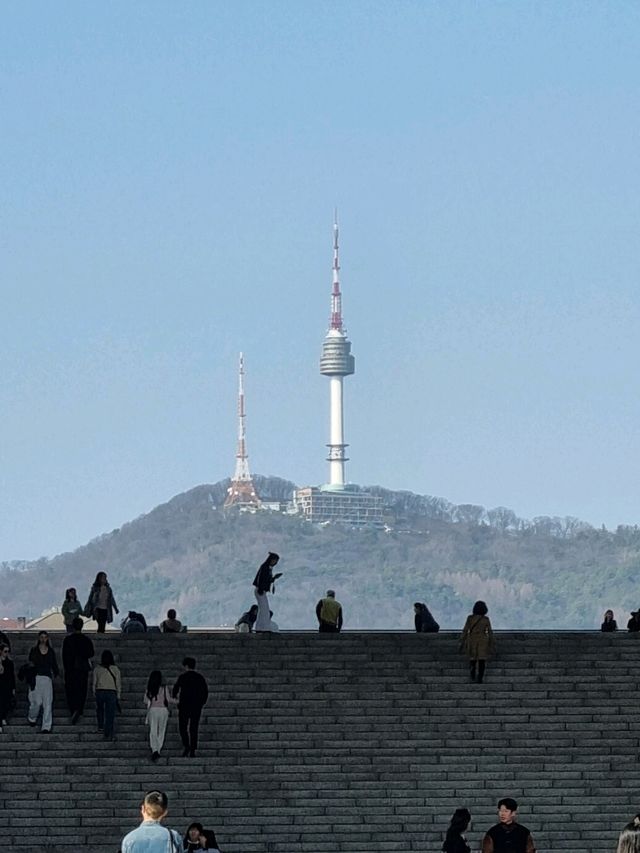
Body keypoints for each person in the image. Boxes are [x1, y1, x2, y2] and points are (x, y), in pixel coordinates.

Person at [172, 656, 208, 758]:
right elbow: (205, 692)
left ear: (186, 666)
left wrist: (175, 698)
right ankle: (192, 749)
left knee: (182, 727)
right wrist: (201, 703)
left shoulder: (183, 677)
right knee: (194, 728)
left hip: (184, 705)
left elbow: (175, 688)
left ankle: (186, 745)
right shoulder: (200, 678)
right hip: (196, 706)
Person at [62, 616, 95, 724]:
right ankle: (79, 709)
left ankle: (73, 709)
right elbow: (91, 653)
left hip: (71, 669)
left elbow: (64, 656)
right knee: (82, 689)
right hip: (82, 669)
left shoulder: (68, 640)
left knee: (71, 689)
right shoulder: (86, 640)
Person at [27, 631, 59, 733]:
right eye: (41, 637)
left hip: (47, 678)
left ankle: (46, 726)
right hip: (36, 677)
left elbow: (54, 664)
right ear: (38, 638)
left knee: (47, 703)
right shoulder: (34, 650)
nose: (43, 639)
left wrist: (56, 673)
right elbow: (30, 663)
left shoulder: (50, 651)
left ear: (48, 639)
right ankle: (32, 717)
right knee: (36, 702)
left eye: (45, 637)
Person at [459, 600, 496, 684]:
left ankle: (472, 673)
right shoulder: (486, 619)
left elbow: (465, 630)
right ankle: (480, 677)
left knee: (473, 658)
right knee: (482, 660)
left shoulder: (470, 618)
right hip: (483, 639)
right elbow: (490, 631)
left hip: (472, 639)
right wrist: (492, 642)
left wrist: (462, 640)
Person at [145, 669, 175, 762]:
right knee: (161, 731)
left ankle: (154, 749)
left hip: (153, 710)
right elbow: (169, 699)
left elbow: (145, 701)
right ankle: (158, 749)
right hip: (163, 710)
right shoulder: (164, 688)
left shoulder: (149, 688)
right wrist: (178, 701)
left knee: (153, 730)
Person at [93, 649, 121, 742]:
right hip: (111, 692)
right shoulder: (115, 669)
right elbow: (118, 683)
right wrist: (118, 695)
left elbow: (94, 682)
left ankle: (100, 726)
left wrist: (94, 692)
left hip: (100, 691)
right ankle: (108, 731)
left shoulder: (97, 669)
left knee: (100, 710)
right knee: (110, 714)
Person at [252, 552, 282, 632]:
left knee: (264, 609)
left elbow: (266, 580)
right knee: (264, 609)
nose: (275, 563)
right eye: (274, 560)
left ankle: (261, 626)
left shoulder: (267, 568)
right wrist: (261, 589)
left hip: (261, 590)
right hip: (260, 590)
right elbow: (260, 579)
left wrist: (274, 578)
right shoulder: (264, 567)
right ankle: (262, 627)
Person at [0, 643, 16, 731]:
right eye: (5, 651)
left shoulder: (9, 663)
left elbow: (11, 676)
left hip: (7, 685)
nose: (7, 653)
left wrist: (13, 688)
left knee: (6, 702)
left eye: (7, 651)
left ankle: (3, 717)